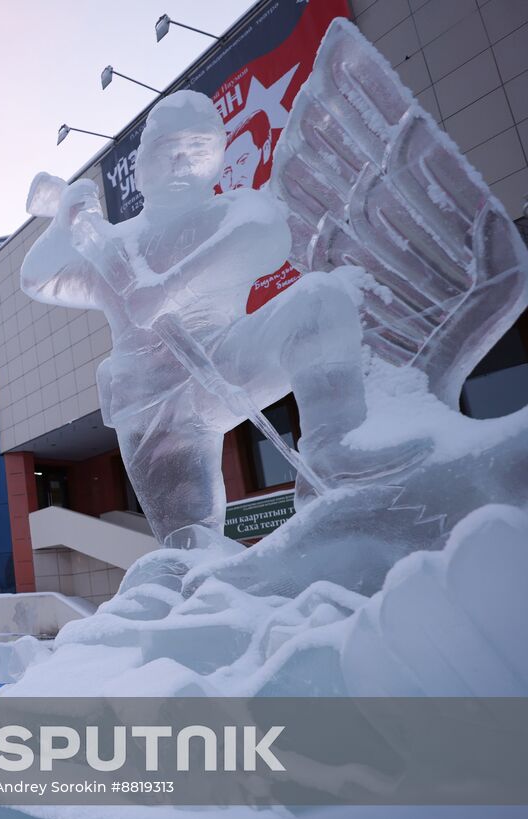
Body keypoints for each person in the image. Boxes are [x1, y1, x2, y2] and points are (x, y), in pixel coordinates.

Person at [21, 91, 424, 546]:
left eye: (197, 149)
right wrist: (62, 225)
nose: (181, 162)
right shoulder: (112, 247)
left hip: (225, 359)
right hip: (150, 407)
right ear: (140, 163)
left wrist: (167, 288)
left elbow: (265, 234)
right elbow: (38, 278)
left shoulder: (231, 210)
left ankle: (335, 458)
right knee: (189, 543)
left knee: (319, 300)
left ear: (217, 159)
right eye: (167, 149)